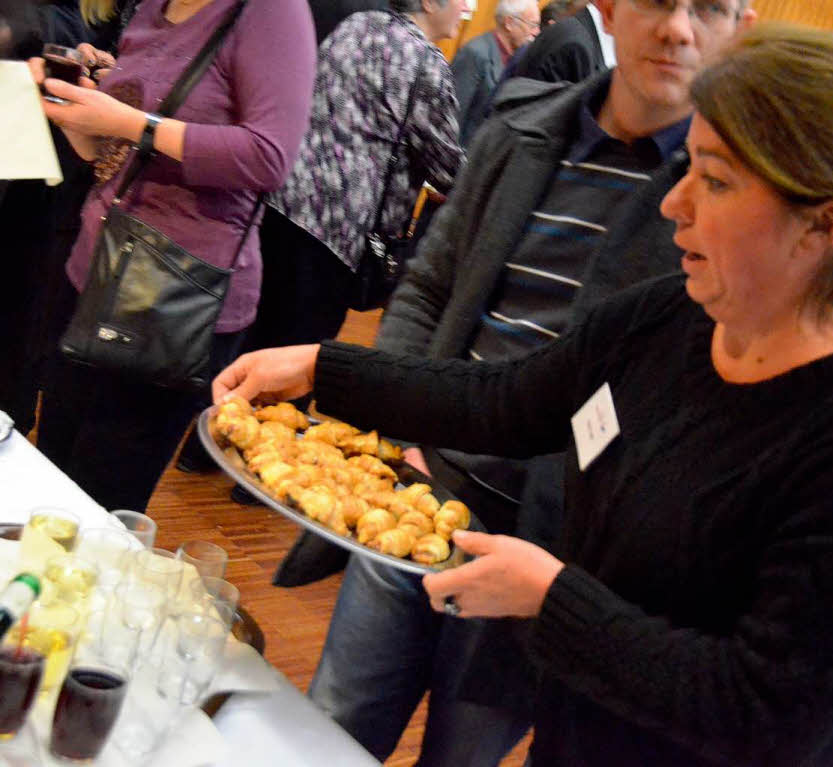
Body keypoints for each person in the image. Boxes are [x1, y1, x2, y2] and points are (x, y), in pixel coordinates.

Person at [215, 24, 833, 764]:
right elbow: (506, 401)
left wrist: (551, 598)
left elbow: (764, 710)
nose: (672, 203)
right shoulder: (675, 316)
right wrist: (326, 369)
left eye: (713, 180)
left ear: (825, 227)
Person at [270, 0, 753, 763]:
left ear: (741, 26)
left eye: (710, 8)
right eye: (660, 1)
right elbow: (429, 285)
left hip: (554, 550)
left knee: (462, 754)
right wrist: (401, 441)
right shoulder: (527, 127)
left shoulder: (730, 200)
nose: (679, 29)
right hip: (423, 488)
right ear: (616, 10)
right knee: (329, 728)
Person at [27, 0, 316, 512]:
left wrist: (134, 123)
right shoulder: (150, 9)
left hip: (174, 297)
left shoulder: (269, 11)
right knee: (48, 482)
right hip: (95, 273)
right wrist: (72, 113)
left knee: (97, 508)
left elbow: (269, 157)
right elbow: (106, 156)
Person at [174, 0, 465, 481]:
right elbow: (449, 167)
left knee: (257, 339)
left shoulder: (356, 25)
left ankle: (204, 449)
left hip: (281, 201)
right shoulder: (425, 62)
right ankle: (265, 478)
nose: (467, 8)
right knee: (297, 356)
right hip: (339, 225)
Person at [450, 0, 539, 146]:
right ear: (509, 23)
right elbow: (453, 117)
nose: (536, 32)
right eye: (532, 25)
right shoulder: (475, 53)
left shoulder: (520, 59)